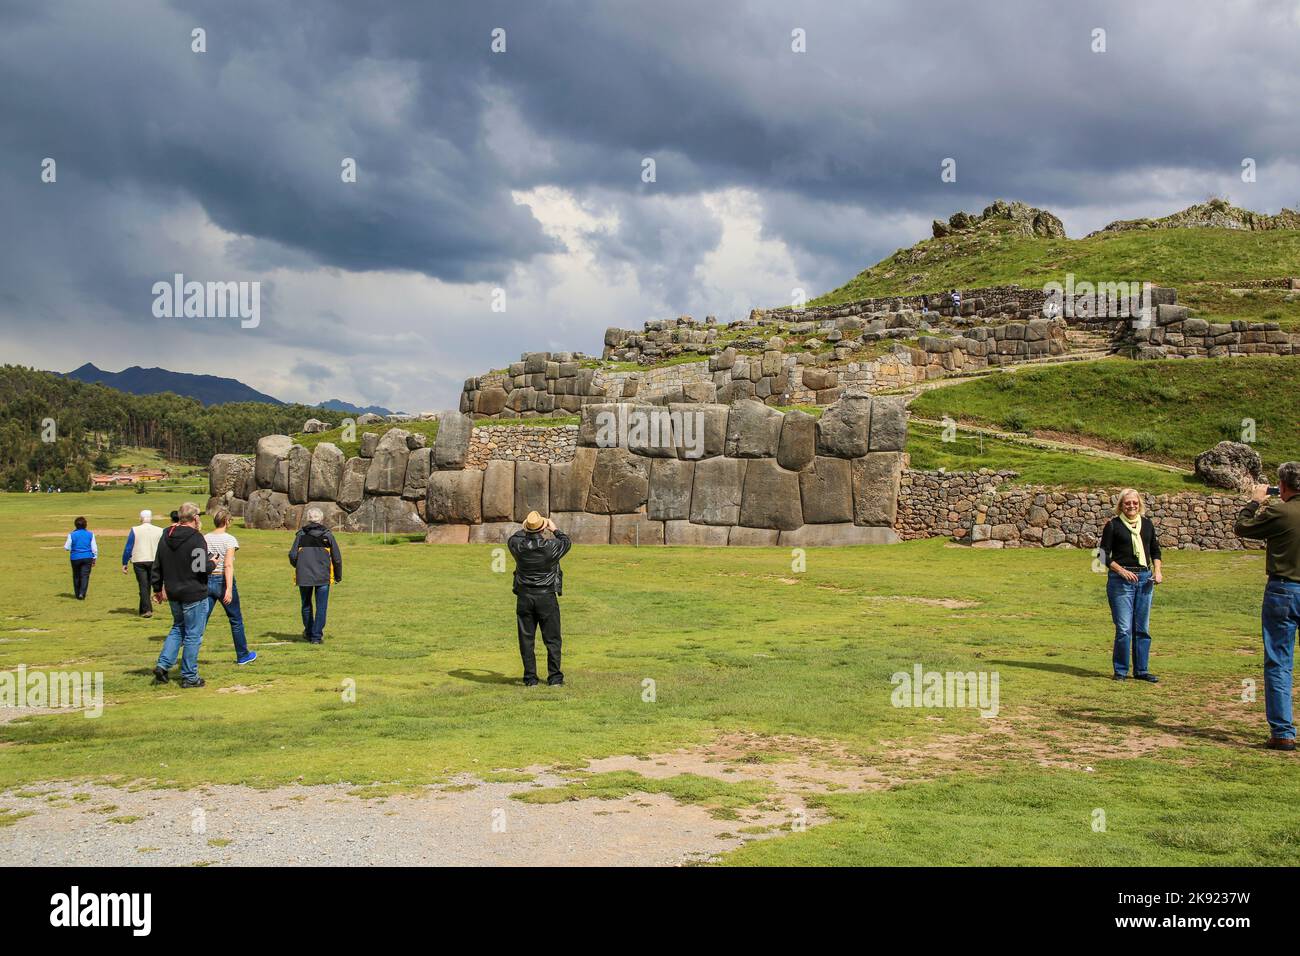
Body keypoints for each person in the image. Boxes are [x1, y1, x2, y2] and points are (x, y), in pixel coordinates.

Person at [1234, 462, 1300, 752]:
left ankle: (1283, 732)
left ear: (1282, 486)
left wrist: (1255, 501)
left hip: (1284, 590)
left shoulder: (1280, 511)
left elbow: (1243, 528)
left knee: (1279, 662)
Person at [1099, 489, 1163, 682]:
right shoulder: (1113, 525)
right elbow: (1102, 555)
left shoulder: (1148, 524)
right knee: (1124, 628)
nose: (1131, 506)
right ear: (1121, 505)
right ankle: (1120, 671)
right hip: (1121, 581)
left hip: (1144, 579)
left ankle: (1141, 671)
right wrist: (1122, 571)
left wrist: (1157, 571)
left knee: (1142, 627)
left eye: (1135, 503)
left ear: (1140, 504)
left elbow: (1155, 550)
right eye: (1127, 503)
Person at [150, 502, 212, 688]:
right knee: (193, 635)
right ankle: (190, 676)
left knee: (178, 628)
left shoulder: (165, 534)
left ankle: (163, 665)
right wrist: (214, 563)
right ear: (195, 518)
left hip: (173, 591)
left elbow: (157, 563)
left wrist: (157, 588)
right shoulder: (196, 538)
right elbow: (201, 568)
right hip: (193, 592)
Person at [507, 511, 572, 687]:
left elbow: (513, 538)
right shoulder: (551, 547)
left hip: (525, 597)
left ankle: (530, 679)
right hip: (546, 597)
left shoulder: (517, 547)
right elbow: (566, 541)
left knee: (526, 639)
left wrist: (527, 525)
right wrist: (554, 528)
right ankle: (555, 678)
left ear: (526, 528)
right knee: (552, 639)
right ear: (543, 528)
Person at [204, 509, 256, 665]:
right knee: (235, 619)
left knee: (200, 620)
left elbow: (199, 564)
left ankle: (186, 649)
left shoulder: (204, 538)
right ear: (227, 521)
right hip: (223, 580)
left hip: (206, 580)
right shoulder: (230, 540)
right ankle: (242, 655)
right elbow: (228, 564)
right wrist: (227, 589)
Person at [289, 507, 342, 644]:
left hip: (304, 576)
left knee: (306, 604)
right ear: (321, 519)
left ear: (308, 518)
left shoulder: (300, 535)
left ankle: (309, 631)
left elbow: (292, 555)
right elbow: (337, 558)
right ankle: (316, 637)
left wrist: (299, 566)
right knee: (321, 607)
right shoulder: (328, 535)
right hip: (323, 576)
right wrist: (338, 575)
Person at [121, 509, 163, 618]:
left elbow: (128, 547)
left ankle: (146, 610)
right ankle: (144, 608)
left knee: (144, 586)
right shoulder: (159, 530)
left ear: (141, 518)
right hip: (154, 560)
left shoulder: (135, 530)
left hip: (139, 560)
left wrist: (124, 562)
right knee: (149, 585)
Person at [63, 516, 97, 600]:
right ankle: (82, 593)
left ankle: (77, 594)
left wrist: (74, 548)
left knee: (76, 576)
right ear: (85, 525)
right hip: (87, 557)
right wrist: (94, 558)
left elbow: (66, 547)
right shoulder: (90, 534)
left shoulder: (72, 534)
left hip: (75, 557)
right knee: (85, 576)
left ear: (75, 525)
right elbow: (94, 548)